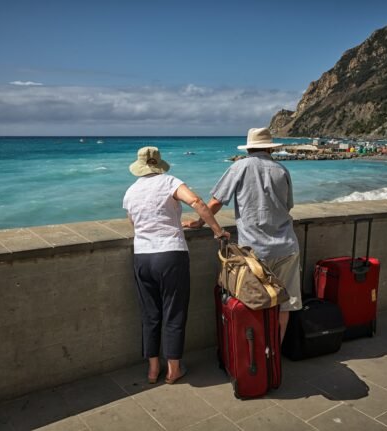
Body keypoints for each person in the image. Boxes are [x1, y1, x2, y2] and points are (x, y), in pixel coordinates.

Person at [183, 128, 302, 344]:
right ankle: (275, 352)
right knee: (285, 304)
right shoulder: (281, 169)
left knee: (254, 302)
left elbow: (216, 201)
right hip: (287, 246)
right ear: (269, 148)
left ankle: (256, 355)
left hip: (254, 252)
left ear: (249, 147)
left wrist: (200, 222)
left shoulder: (239, 167)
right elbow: (288, 206)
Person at [123, 146, 230, 385]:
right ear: (159, 164)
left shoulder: (130, 192)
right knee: (174, 311)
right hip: (170, 255)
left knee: (150, 314)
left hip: (142, 256)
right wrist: (218, 231)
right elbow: (197, 201)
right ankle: (173, 369)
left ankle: (152, 369)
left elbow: (136, 224)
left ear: (139, 166)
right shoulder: (169, 182)